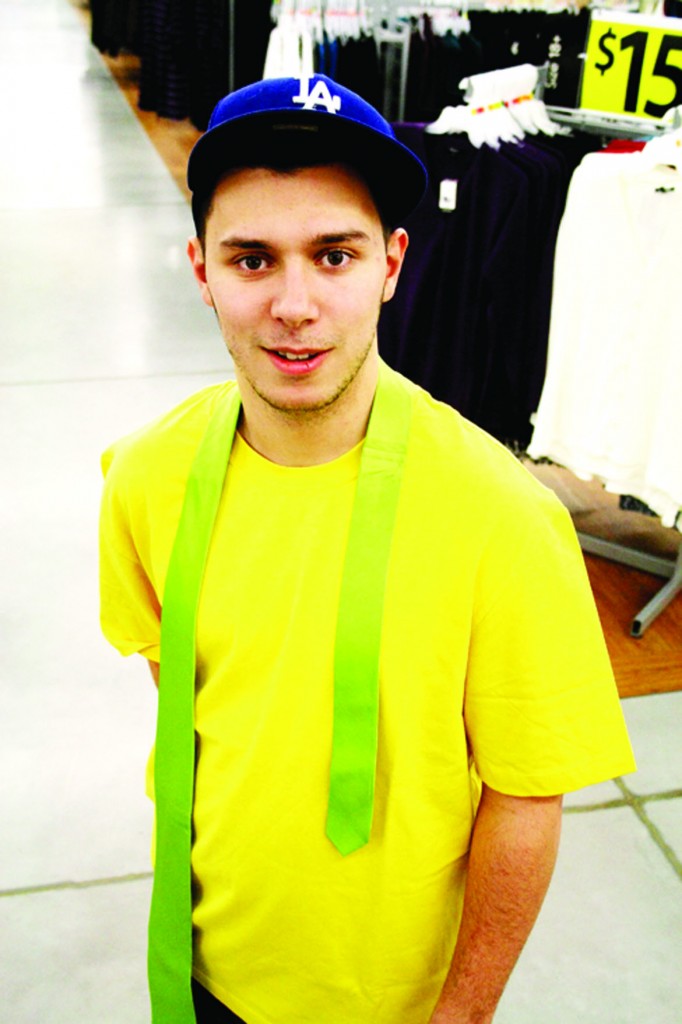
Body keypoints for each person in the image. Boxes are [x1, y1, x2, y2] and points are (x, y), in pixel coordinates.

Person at [99, 74, 636, 1024]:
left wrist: (461, 1015)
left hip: (400, 999)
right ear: (201, 270)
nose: (294, 305)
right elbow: (181, 687)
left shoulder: (502, 516)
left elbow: (524, 802)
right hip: (202, 974)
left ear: (392, 264)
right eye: (253, 260)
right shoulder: (146, 475)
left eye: (333, 256)